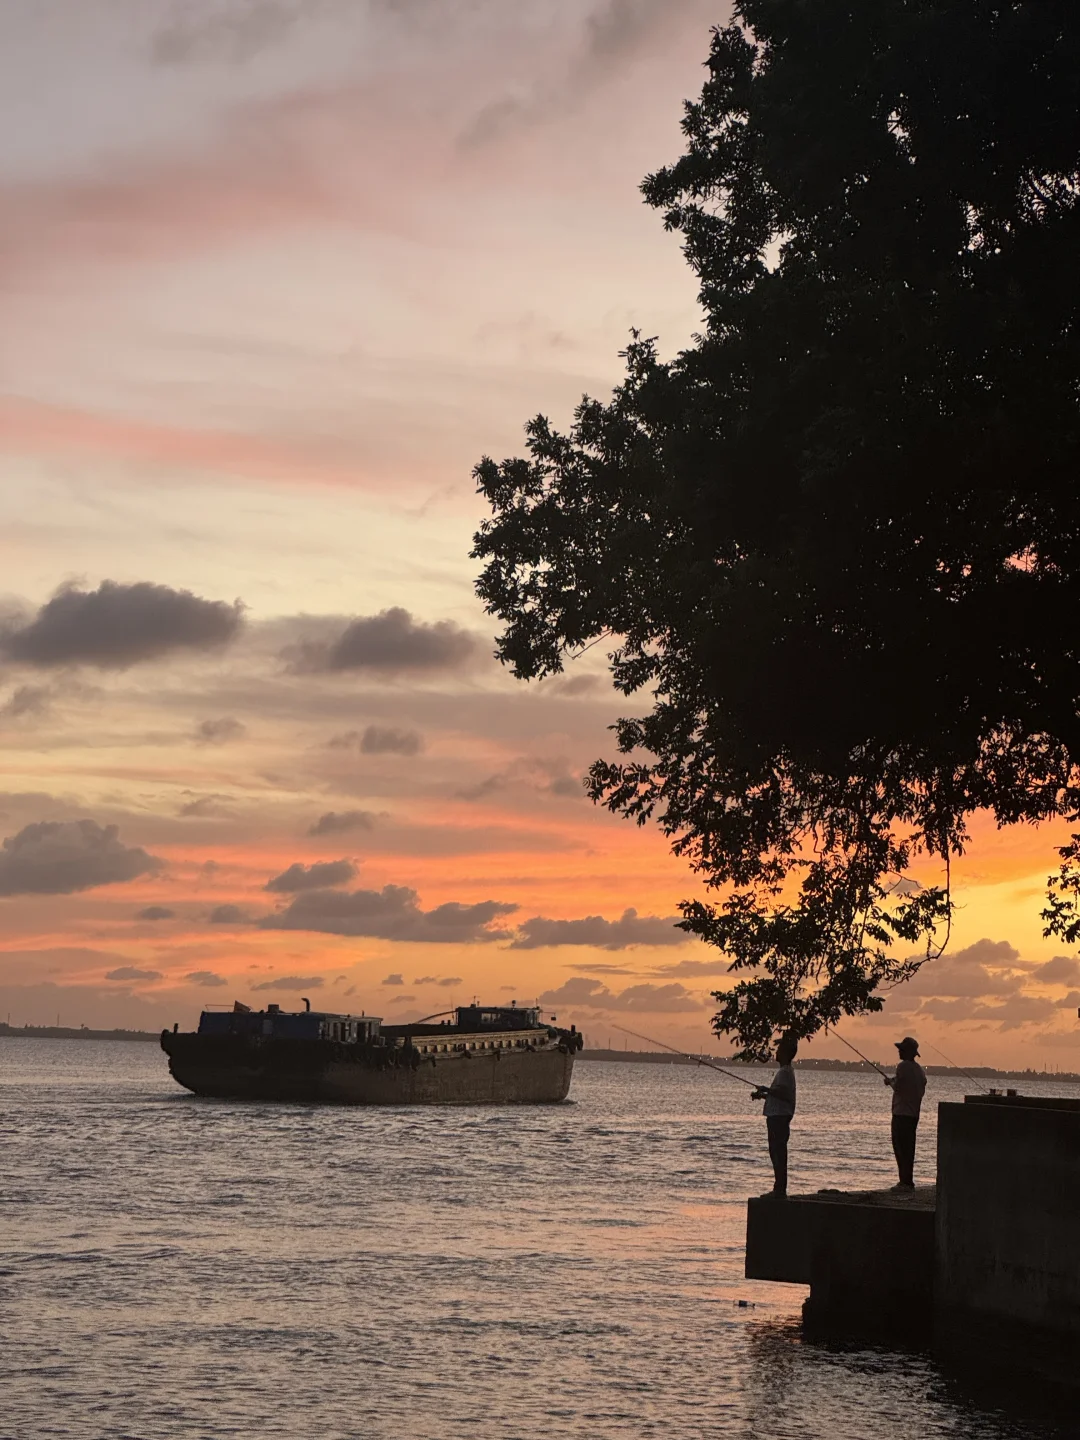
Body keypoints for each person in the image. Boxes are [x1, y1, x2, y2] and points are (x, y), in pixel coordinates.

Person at [751, 1034, 798, 1198]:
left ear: (785, 1054)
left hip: (779, 1118)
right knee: (776, 1152)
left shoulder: (785, 1072)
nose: (776, 1052)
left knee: (778, 1153)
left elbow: (784, 1093)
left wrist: (767, 1090)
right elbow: (781, 1095)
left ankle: (779, 1190)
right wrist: (763, 1095)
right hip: (777, 1117)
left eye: (779, 1050)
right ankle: (779, 1188)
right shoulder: (785, 1072)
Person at [886, 1035, 927, 1191]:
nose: (899, 1052)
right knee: (909, 1148)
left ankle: (905, 1182)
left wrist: (890, 1082)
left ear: (908, 1052)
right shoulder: (920, 1071)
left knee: (900, 1148)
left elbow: (899, 1086)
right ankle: (907, 1180)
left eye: (901, 1050)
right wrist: (893, 1081)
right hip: (913, 1115)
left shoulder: (903, 1066)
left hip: (901, 1114)